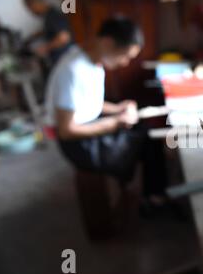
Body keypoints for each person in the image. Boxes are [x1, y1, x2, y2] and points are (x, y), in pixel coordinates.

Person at [45, 16, 167, 210]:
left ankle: (150, 193)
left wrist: (118, 109)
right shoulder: (72, 70)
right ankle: (153, 198)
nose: (125, 63)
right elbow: (66, 130)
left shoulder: (92, 61)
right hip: (78, 144)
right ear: (108, 42)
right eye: (125, 56)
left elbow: (87, 102)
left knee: (146, 128)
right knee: (146, 139)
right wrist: (115, 123)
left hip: (86, 124)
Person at [20, 0, 73, 65]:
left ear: (35, 4)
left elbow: (64, 37)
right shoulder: (48, 15)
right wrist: (34, 36)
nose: (31, 12)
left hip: (64, 60)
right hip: (59, 60)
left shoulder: (53, 15)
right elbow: (51, 29)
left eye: (30, 9)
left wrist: (44, 48)